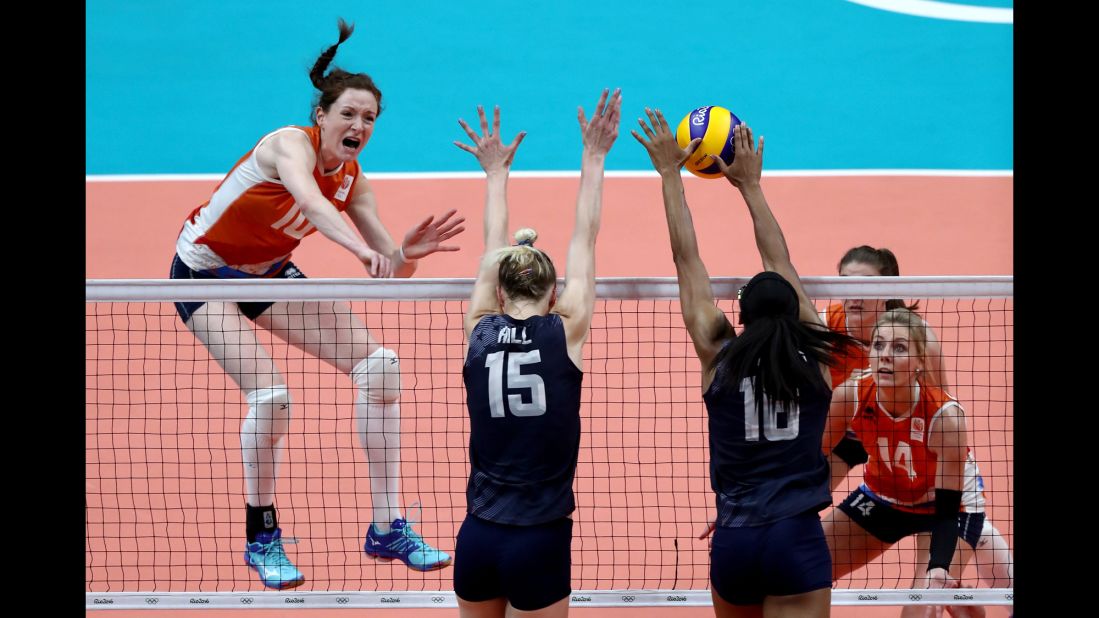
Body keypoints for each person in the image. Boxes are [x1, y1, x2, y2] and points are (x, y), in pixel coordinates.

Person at [170, 18, 460, 589]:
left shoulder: (354, 181)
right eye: (348, 113)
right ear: (321, 116)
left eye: (370, 118)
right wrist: (358, 248)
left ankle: (387, 527)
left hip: (269, 275)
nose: (359, 125)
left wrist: (406, 250)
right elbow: (311, 203)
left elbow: (394, 270)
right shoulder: (286, 145)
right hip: (205, 275)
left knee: (381, 368)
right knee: (273, 398)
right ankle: (262, 536)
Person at [633, 111, 859, 618]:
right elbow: (782, 264)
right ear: (795, 314)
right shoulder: (817, 365)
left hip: (735, 540)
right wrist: (750, 186)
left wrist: (670, 174)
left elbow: (685, 259)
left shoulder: (719, 355)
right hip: (796, 541)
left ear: (740, 314)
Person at [451, 89, 621, 618]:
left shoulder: (478, 331)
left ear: (498, 294)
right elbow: (585, 240)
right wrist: (594, 156)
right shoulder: (565, 332)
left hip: (476, 537)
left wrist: (495, 175)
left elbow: (490, 253)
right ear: (555, 294)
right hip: (539, 542)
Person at [822, 308, 1013, 618]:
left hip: (947, 507)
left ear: (920, 363)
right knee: (801, 567)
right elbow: (810, 463)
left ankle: (949, 583)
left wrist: (937, 569)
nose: (885, 355)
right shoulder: (850, 396)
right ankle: (956, 590)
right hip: (884, 497)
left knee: (920, 613)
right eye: (878, 344)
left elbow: (947, 513)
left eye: (899, 348)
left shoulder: (945, 419)